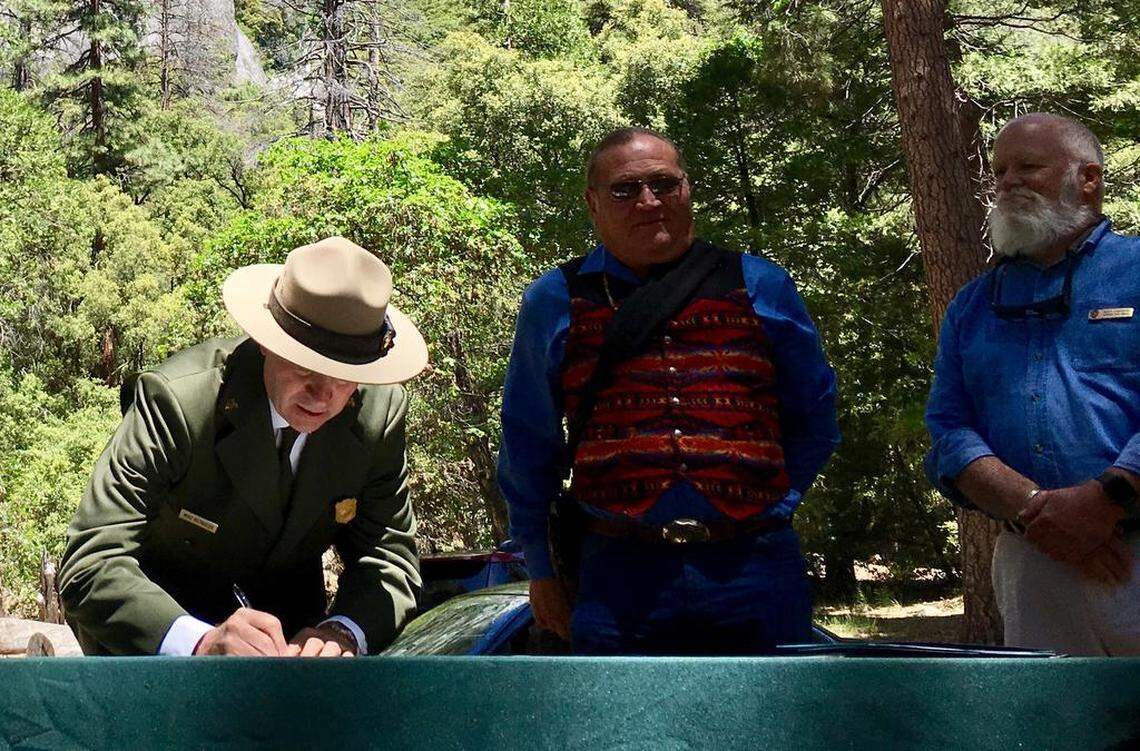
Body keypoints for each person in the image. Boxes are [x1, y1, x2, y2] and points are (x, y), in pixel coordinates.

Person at [498, 127, 840, 654]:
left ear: (687, 189)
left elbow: (814, 413)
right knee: (619, 731)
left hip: (754, 567)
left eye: (664, 184)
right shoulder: (556, 298)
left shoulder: (758, 283)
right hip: (617, 574)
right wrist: (542, 572)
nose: (648, 201)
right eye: (625, 190)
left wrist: (776, 501)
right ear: (593, 203)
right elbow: (528, 443)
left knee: (769, 733)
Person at [59, 236, 429, 657]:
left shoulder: (377, 419)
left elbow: (388, 562)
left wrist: (341, 633)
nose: (323, 393)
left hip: (288, 666)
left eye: (345, 375)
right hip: (155, 659)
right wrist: (199, 641)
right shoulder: (178, 402)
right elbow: (90, 561)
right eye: (306, 366)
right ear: (267, 343)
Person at [925, 113, 1140, 655]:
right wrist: (1039, 512)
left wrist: (1105, 501)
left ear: (1087, 179)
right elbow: (949, 430)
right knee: (1053, 729)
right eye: (999, 171)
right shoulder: (972, 305)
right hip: (1032, 563)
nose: (1007, 183)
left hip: (1134, 546)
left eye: (1028, 167)